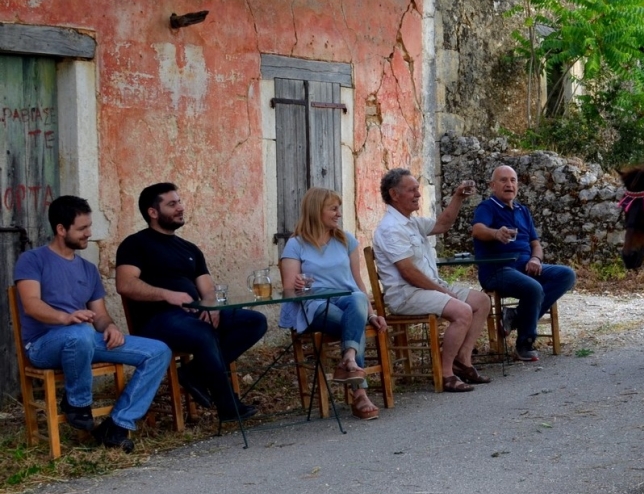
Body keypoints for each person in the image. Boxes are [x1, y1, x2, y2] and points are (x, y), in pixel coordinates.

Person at [13, 196, 171, 452]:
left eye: (89, 226)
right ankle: (77, 403)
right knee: (78, 334)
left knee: (158, 351)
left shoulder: (87, 269)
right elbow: (31, 304)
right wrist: (65, 318)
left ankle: (118, 425)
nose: (89, 233)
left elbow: (99, 315)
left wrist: (110, 327)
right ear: (61, 229)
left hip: (84, 341)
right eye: (82, 228)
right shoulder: (32, 260)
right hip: (43, 345)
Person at [116, 182, 268, 420]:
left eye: (180, 202)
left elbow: (207, 289)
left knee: (255, 321)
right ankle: (227, 405)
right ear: (152, 212)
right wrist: (167, 294)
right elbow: (125, 284)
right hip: (157, 320)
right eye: (172, 204)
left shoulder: (190, 249)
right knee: (203, 333)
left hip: (193, 316)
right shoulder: (135, 244)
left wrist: (212, 306)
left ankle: (195, 374)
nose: (180, 208)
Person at [373, 168, 491, 392]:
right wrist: (443, 291)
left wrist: (458, 197)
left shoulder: (411, 222)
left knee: (481, 301)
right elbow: (408, 272)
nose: (418, 194)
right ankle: (446, 374)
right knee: (462, 311)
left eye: (417, 189)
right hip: (406, 294)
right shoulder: (390, 228)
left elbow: (443, 225)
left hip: (427, 288)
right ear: (394, 195)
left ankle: (463, 360)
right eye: (412, 190)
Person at [278, 187, 388, 420]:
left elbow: (357, 282)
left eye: (339, 209)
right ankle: (360, 394)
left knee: (357, 300)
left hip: (349, 301)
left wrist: (371, 315)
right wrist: (297, 283)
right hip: (315, 305)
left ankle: (348, 360)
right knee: (353, 325)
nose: (339, 214)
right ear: (317, 210)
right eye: (333, 209)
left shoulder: (346, 240)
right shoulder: (296, 244)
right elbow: (288, 289)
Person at [472, 165, 576, 361]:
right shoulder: (487, 207)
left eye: (513, 180)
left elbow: (536, 244)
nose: (509, 184)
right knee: (533, 288)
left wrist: (536, 259)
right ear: (492, 185)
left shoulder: (523, 211)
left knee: (566, 275)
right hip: (498, 270)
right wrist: (495, 233)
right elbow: (477, 230)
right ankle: (524, 343)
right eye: (503, 180)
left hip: (525, 268)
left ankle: (515, 316)